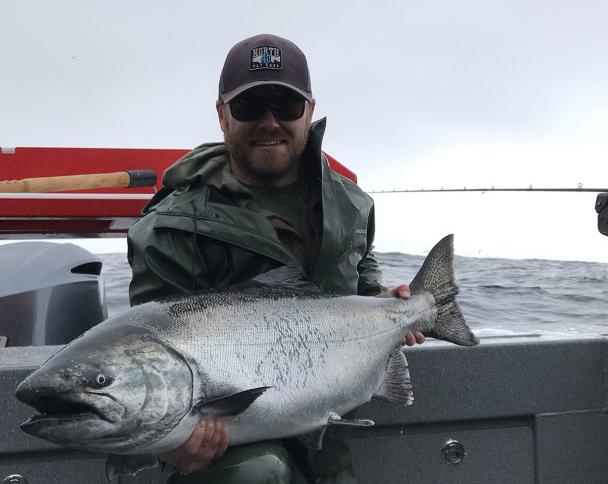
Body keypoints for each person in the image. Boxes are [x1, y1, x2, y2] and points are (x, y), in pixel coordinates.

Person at [127, 33, 424, 484]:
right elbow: (151, 352)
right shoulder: (169, 227)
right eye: (249, 108)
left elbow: (361, 280)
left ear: (309, 110)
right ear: (222, 115)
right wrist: (169, 443)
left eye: (284, 107)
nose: (269, 122)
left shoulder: (351, 204)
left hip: (332, 422)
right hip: (232, 443)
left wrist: (390, 307)